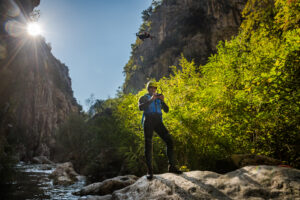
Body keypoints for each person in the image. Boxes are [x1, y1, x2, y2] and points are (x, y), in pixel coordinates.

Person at [139, 81, 182, 180]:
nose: (153, 90)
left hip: (158, 122)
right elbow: (141, 107)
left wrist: (163, 101)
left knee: (169, 141)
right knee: (149, 145)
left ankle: (172, 167)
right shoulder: (144, 97)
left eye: (155, 88)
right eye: (151, 88)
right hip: (148, 122)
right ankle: (150, 171)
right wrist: (151, 99)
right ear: (148, 89)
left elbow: (166, 110)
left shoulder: (159, 99)